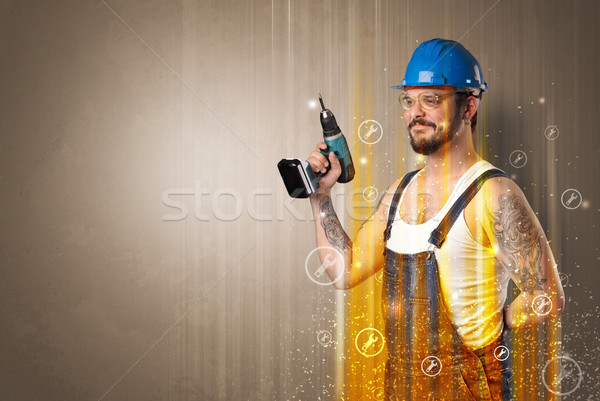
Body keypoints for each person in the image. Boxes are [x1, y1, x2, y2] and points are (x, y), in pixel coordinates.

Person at [307, 38, 565, 400]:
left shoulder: (494, 194)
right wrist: (321, 198)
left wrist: (496, 324)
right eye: (409, 100)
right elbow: (345, 271)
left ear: (468, 107)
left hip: (471, 386)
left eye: (431, 100)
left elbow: (548, 296)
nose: (416, 112)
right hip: (403, 386)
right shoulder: (399, 192)